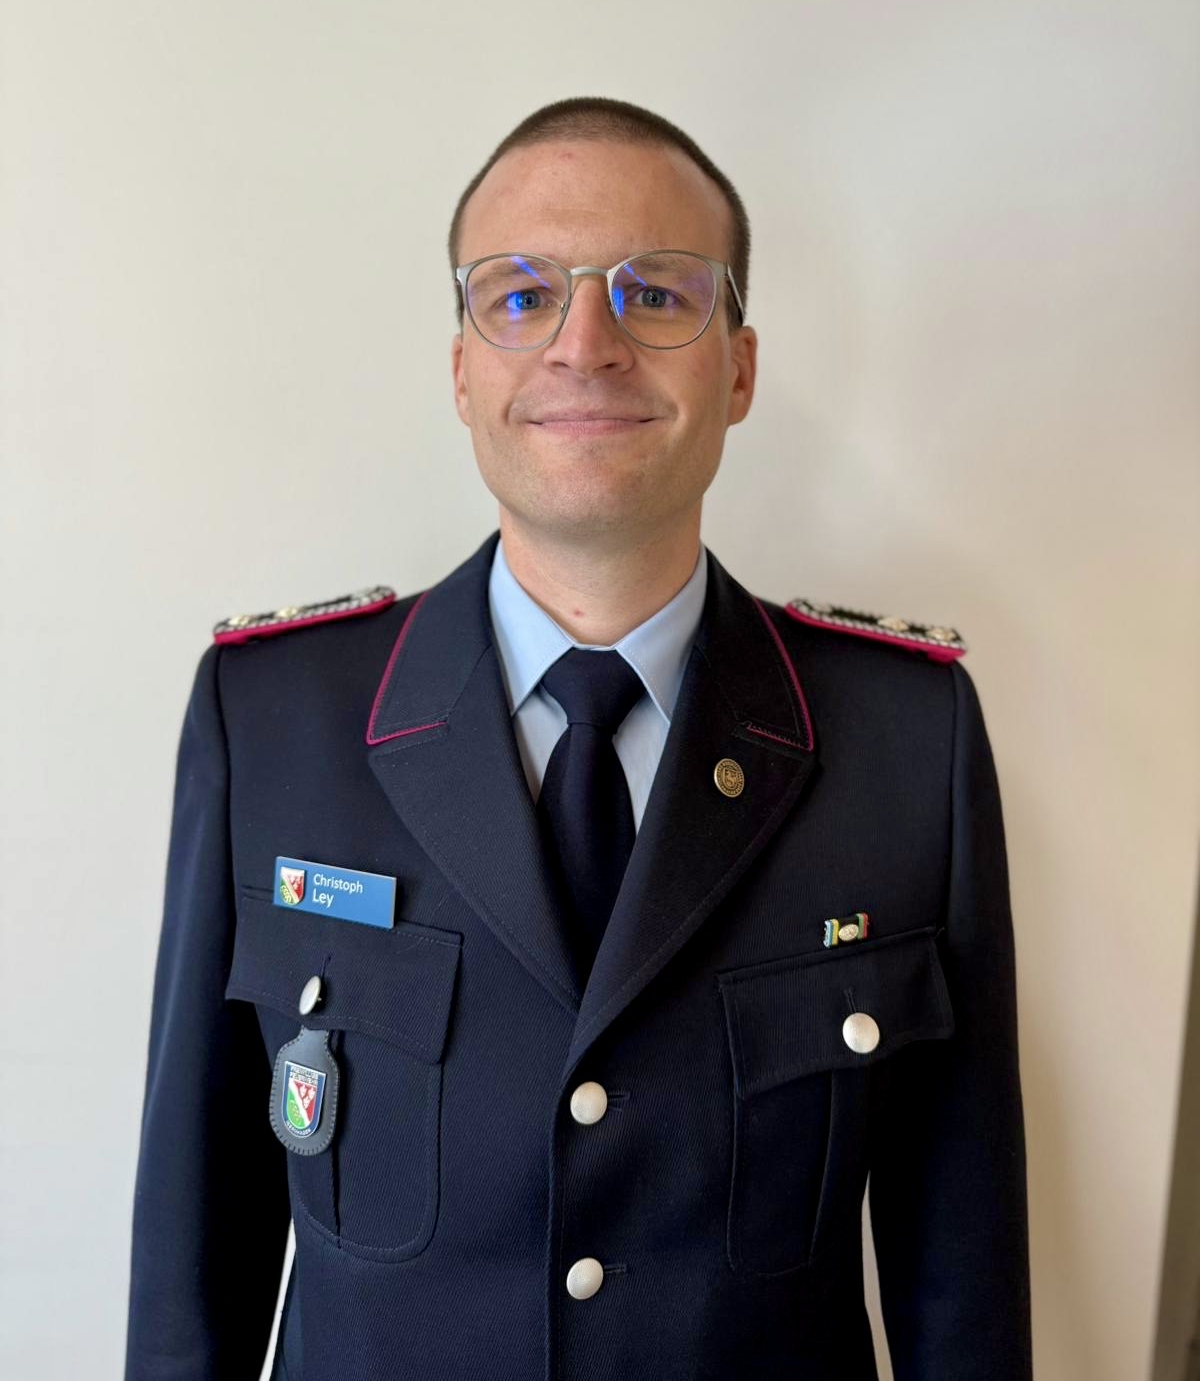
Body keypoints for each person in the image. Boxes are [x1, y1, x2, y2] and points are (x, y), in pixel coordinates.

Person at [124, 95, 1032, 1381]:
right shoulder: (274, 719)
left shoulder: (902, 739)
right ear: (462, 369)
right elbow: (192, 1257)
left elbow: (964, 1276)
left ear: (739, 369)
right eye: (521, 294)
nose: (585, 343)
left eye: (655, 293)